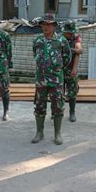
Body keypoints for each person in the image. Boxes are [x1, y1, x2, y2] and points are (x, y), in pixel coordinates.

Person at [32, 14, 71, 145]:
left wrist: (57, 69)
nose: (46, 27)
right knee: (39, 106)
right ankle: (39, 132)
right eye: (43, 24)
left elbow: (67, 58)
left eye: (49, 24)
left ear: (54, 26)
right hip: (41, 79)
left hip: (56, 80)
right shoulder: (37, 40)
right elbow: (35, 54)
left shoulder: (61, 40)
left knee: (58, 107)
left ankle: (57, 134)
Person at [62, 21, 83, 122]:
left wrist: (74, 69)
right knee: (58, 93)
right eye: (68, 33)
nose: (71, 35)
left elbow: (79, 51)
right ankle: (57, 112)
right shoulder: (59, 38)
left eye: (72, 33)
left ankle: (72, 112)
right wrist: (72, 50)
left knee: (72, 92)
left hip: (71, 69)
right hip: (59, 69)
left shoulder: (76, 38)